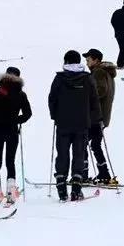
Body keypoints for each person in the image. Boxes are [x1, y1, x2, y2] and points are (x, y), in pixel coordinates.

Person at [48, 50, 100, 201]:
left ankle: (61, 185)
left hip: (63, 123)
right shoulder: (87, 78)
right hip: (82, 124)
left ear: (66, 61)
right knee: (79, 154)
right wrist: (93, 118)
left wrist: (55, 116)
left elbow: (52, 99)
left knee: (62, 153)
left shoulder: (59, 78)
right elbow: (94, 100)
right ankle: (76, 188)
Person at [0, 67, 31, 202]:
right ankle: (11, 190)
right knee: (10, 161)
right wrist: (17, 120)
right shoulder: (20, 94)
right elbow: (28, 113)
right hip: (12, 130)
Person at [82, 49, 117, 184]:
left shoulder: (98, 72)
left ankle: (83, 174)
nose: (87, 62)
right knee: (95, 145)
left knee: (83, 143)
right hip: (102, 116)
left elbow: (100, 90)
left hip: (95, 117)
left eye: (88, 60)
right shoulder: (106, 72)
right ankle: (103, 173)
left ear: (96, 60)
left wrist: (86, 95)